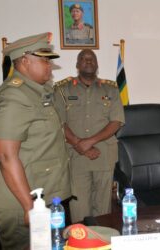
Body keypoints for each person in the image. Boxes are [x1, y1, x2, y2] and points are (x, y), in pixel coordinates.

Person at [0, 32, 72, 250]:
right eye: (44, 60)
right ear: (25, 61)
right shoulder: (13, 97)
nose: (50, 66)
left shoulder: (38, 92)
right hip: (21, 203)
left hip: (44, 196)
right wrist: (29, 208)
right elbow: (5, 156)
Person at [54, 49, 124, 223]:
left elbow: (116, 122)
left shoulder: (111, 89)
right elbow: (58, 123)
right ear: (77, 65)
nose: (88, 61)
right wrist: (80, 145)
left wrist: (89, 142)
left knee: (103, 209)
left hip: (104, 155)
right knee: (79, 209)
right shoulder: (62, 90)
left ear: (97, 65)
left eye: (92, 58)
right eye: (83, 59)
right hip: (75, 156)